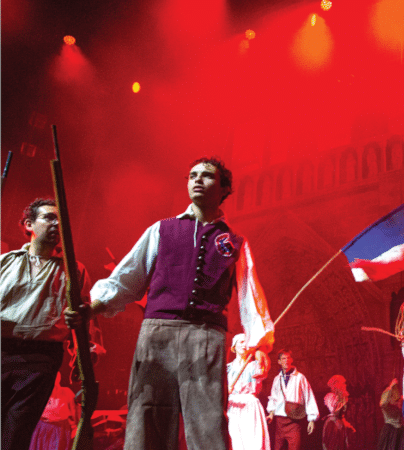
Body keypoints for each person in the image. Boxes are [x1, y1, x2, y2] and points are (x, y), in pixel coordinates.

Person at [68, 157, 275, 450]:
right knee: (147, 417)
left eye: (207, 175)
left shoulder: (235, 242)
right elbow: (128, 275)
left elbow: (248, 292)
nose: (197, 179)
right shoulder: (161, 229)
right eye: (192, 175)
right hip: (157, 334)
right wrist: (94, 307)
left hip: (207, 336)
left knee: (208, 424)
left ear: (224, 188)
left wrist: (260, 343)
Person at [1, 198, 92, 450]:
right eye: (49, 217)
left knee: (16, 432)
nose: (56, 224)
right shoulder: (5, 262)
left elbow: (84, 318)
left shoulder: (73, 270)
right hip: (1, 349)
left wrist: (84, 355)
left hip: (40, 359)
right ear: (29, 224)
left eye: (60, 219)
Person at [267, 349, 319, 450]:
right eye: (283, 358)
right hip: (280, 421)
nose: (286, 360)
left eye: (288, 358)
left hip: (294, 420)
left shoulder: (300, 377)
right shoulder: (277, 379)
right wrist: (271, 414)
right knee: (278, 447)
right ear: (279, 361)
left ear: (292, 360)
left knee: (294, 447)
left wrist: (312, 419)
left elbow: (309, 396)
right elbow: (273, 398)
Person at [227, 333, 271, 450]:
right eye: (241, 342)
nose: (244, 345)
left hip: (250, 406)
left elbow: (264, 369)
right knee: (236, 442)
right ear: (234, 347)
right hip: (234, 406)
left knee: (253, 443)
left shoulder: (255, 365)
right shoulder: (228, 368)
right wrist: (226, 390)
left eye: (246, 342)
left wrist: (259, 351)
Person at [28, 372, 77, 450]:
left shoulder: (67, 392)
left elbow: (75, 412)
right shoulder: (39, 392)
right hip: (41, 427)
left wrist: (76, 428)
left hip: (60, 429)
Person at [321, 375, 355, 450]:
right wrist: (341, 398)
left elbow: (342, 414)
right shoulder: (330, 396)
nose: (345, 385)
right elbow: (334, 411)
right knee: (333, 444)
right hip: (332, 424)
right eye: (343, 383)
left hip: (339, 424)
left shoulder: (342, 397)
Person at [377, 379, 404, 450]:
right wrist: (391, 386)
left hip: (400, 432)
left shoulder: (399, 404)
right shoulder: (386, 406)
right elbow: (383, 402)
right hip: (390, 432)